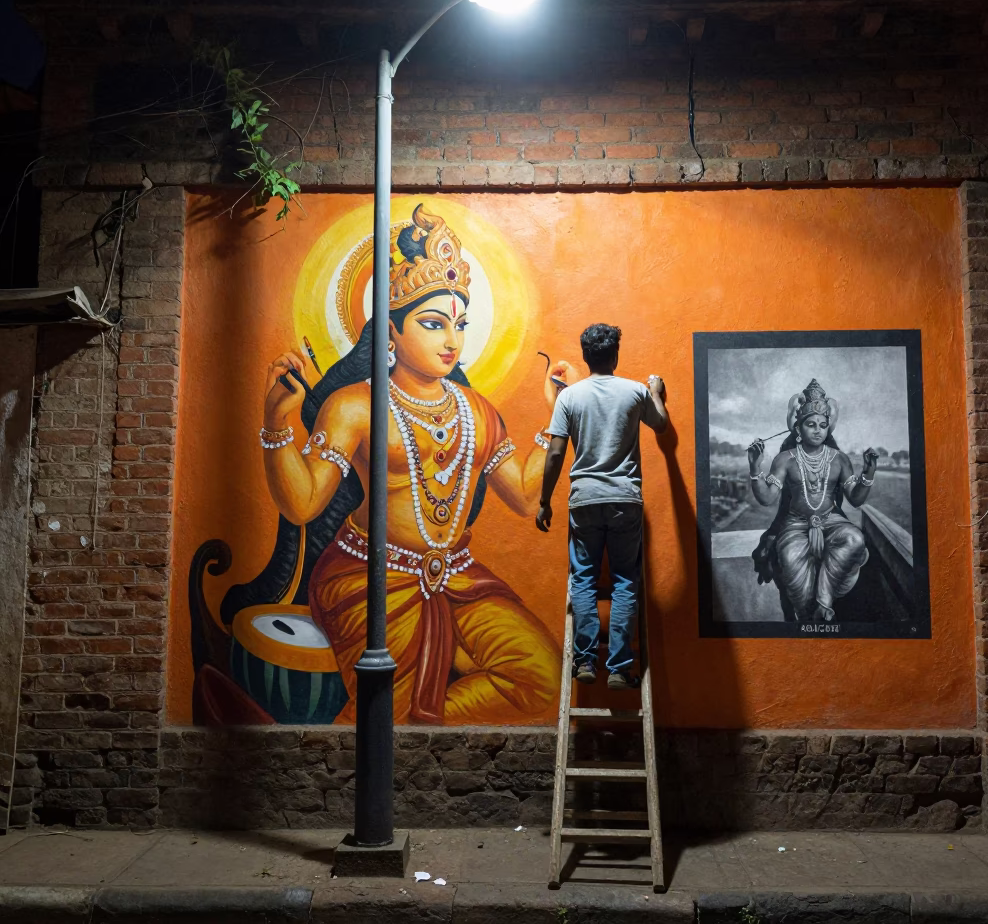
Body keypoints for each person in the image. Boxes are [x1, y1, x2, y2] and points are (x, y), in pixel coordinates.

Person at [225, 204, 566, 725]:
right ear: (390, 332)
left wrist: (557, 417)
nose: (451, 341)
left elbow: (524, 495)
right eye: (433, 324)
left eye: (460, 324)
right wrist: (276, 425)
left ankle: (427, 690)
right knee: (394, 710)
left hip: (457, 576)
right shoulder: (355, 406)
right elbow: (301, 505)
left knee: (544, 679)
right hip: (368, 577)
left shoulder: (477, 411)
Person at [535, 323, 668, 689]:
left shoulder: (570, 397)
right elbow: (661, 424)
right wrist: (656, 392)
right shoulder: (635, 392)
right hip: (626, 497)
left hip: (585, 499)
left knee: (585, 579)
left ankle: (585, 663)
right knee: (625, 580)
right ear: (615, 355)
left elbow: (557, 452)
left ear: (585, 356)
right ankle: (620, 669)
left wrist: (545, 501)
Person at [746, 378, 877, 622]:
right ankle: (808, 615)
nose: (817, 429)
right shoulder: (785, 459)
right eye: (810, 424)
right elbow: (766, 498)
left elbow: (855, 500)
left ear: (828, 428)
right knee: (788, 557)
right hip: (795, 524)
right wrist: (755, 468)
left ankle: (824, 600)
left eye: (823, 424)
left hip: (832, 521)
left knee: (855, 538)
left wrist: (868, 473)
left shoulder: (839, 459)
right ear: (798, 428)